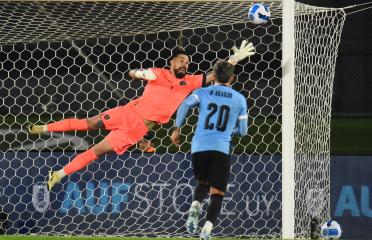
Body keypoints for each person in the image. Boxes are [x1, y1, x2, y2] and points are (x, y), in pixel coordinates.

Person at [28, 41, 254, 191]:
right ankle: (45, 128)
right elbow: (132, 72)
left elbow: (217, 74)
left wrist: (234, 59)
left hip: (136, 130)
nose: (186, 63)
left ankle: (58, 174)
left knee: (95, 151)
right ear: (172, 62)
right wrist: (139, 73)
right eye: (181, 60)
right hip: (128, 111)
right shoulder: (158, 73)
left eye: (187, 61)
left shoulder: (190, 82)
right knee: (89, 123)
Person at [170, 59, 249, 240]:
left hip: (199, 148)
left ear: (214, 75)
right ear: (233, 78)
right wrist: (229, 130)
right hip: (221, 149)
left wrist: (177, 129)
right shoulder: (239, 99)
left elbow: (185, 105)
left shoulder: (202, 92)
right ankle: (207, 228)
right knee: (217, 192)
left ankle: (195, 205)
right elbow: (243, 132)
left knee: (203, 182)